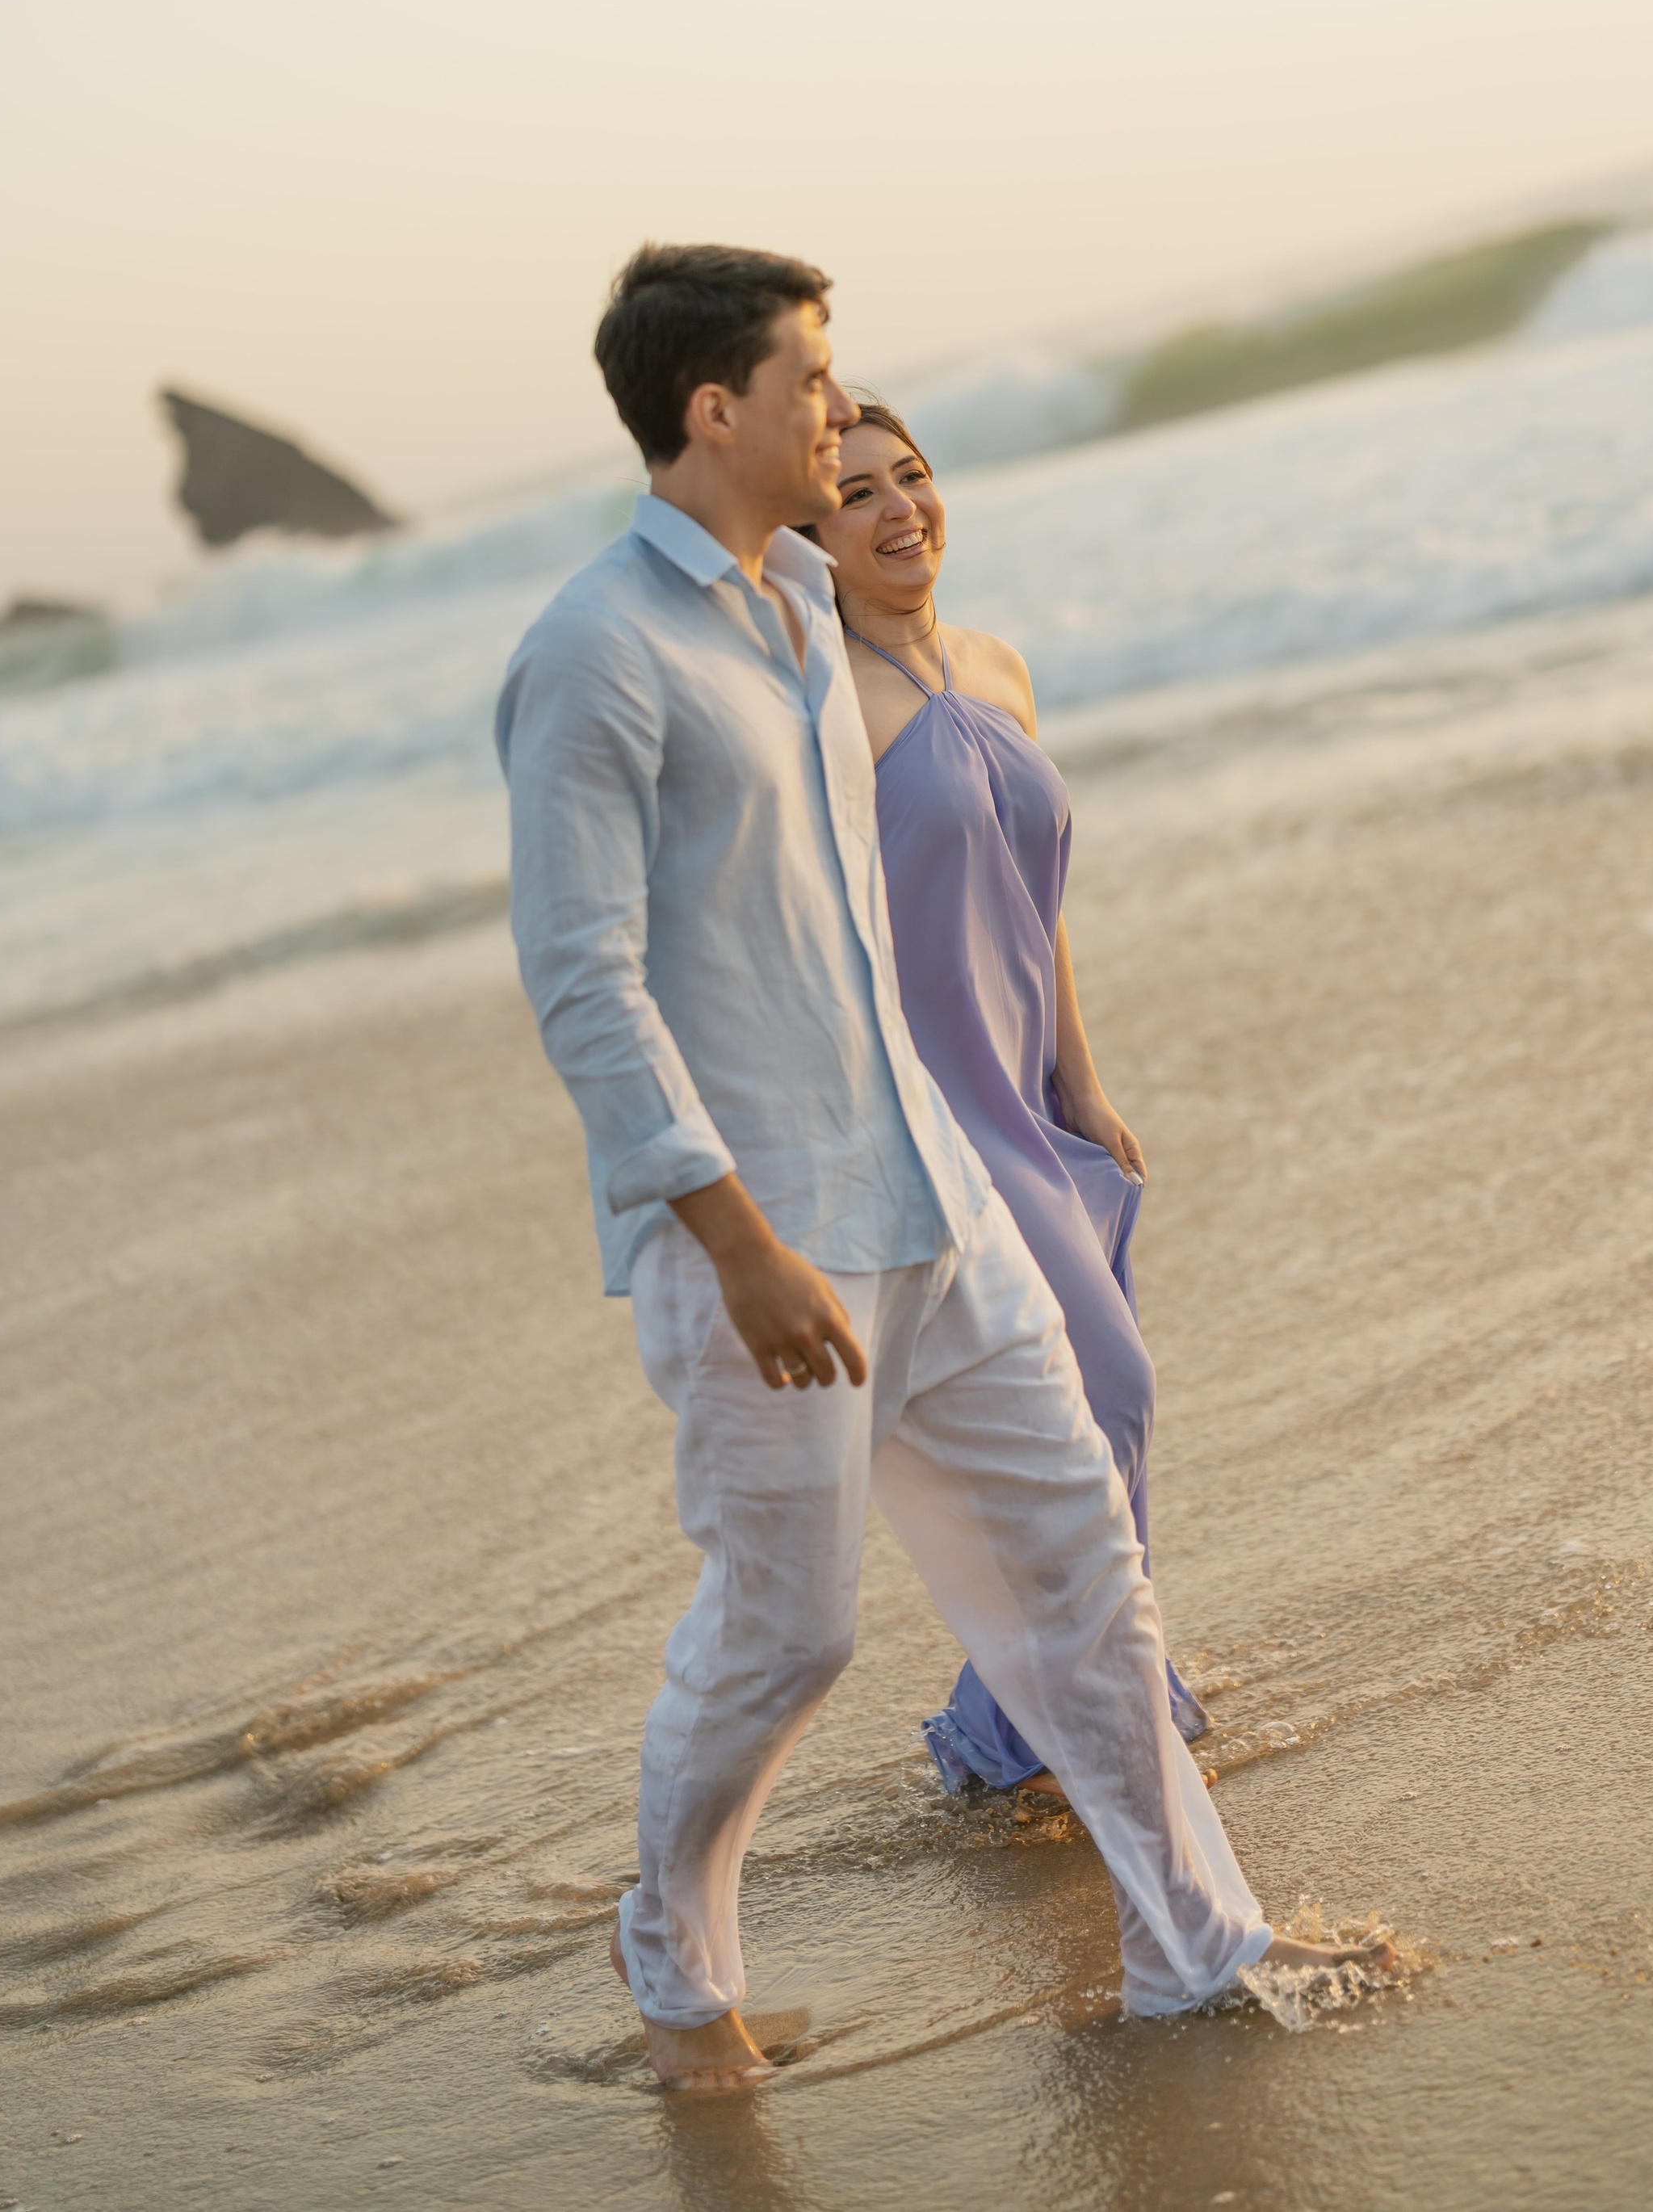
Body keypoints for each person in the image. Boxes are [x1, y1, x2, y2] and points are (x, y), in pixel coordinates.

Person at [496, 243, 1373, 2094]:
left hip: (938, 1198)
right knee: (787, 1629)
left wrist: (1024, 1121)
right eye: (812, 382)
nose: (842, 408)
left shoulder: (800, 627)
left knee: (1079, 1569)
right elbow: (582, 978)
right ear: (711, 410)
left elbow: (873, 935)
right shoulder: (594, 652)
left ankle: (1193, 1952)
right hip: (757, 1231)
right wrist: (727, 1228)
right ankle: (672, 1969)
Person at [812, 398, 1205, 1795]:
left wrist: (1085, 1085)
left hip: (1039, 1104)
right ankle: (1053, 1715)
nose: (897, 508)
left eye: (910, 477)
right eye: (854, 492)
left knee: (1084, 1421)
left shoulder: (996, 665)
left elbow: (1041, 905)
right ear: (812, 533)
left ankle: (1035, 1717)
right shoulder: (825, 705)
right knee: (1109, 1392)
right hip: (939, 1116)